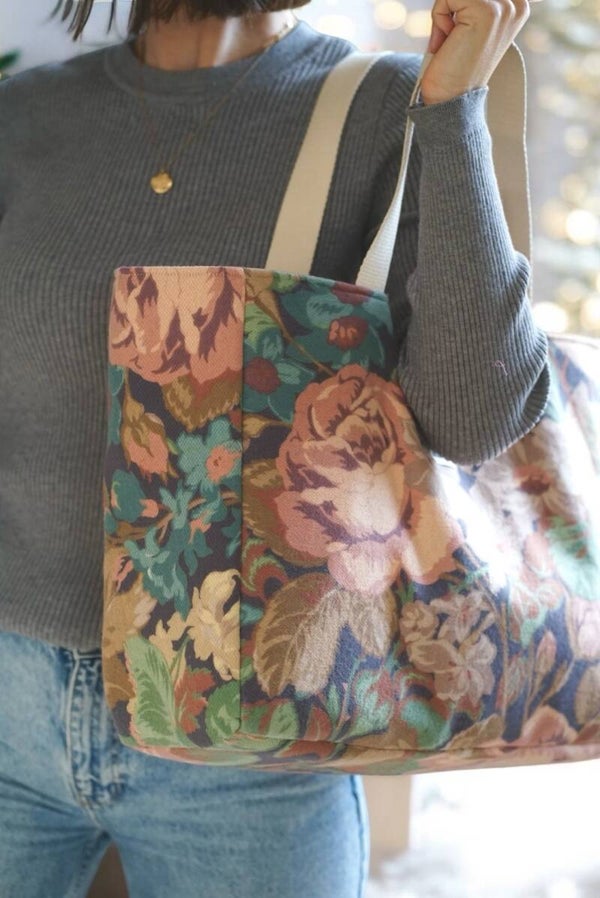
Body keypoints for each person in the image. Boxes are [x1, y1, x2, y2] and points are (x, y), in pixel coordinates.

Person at [0, 0, 549, 895]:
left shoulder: (390, 107)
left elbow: (474, 420)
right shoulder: (23, 117)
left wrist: (453, 112)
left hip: (255, 738)